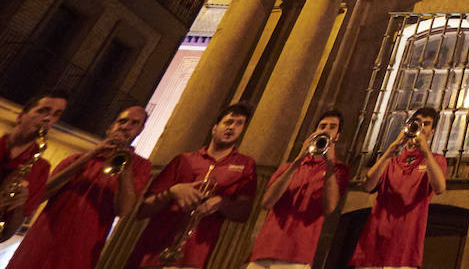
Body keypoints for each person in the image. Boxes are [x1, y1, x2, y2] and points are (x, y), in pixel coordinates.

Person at [9, 105, 150, 269]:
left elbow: (124, 210)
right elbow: (40, 195)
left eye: (134, 123)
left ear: (140, 130)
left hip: (81, 252)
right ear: (110, 128)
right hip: (41, 242)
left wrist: (125, 163)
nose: (126, 126)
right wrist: (91, 154)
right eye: (122, 121)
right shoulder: (76, 158)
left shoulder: (141, 166)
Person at [125, 103, 257, 269]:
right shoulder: (183, 160)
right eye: (228, 122)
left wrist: (221, 203)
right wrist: (172, 192)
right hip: (153, 252)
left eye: (239, 124)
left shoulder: (245, 165)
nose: (232, 127)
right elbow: (142, 211)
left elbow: (244, 213)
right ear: (214, 128)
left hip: (193, 258)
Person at [246, 108, 350, 269]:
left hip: (298, 255)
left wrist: (330, 165)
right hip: (264, 250)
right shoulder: (288, 167)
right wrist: (298, 160)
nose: (326, 130)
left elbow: (330, 207)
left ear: (337, 136)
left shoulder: (339, 170)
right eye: (322, 126)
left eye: (332, 127)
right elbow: (267, 202)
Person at [351, 107, 447, 269]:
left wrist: (425, 151)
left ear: (432, 132)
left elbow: (439, 188)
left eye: (426, 125)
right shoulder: (391, 161)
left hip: (404, 251)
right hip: (371, 248)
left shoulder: (436, 160)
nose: (421, 128)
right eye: (418, 124)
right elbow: (368, 185)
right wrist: (393, 147)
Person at [0, 91, 68, 241]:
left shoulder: (40, 168)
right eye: (43, 111)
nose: (48, 119)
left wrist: (18, 205)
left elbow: (9, 232)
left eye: (56, 115)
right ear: (20, 116)